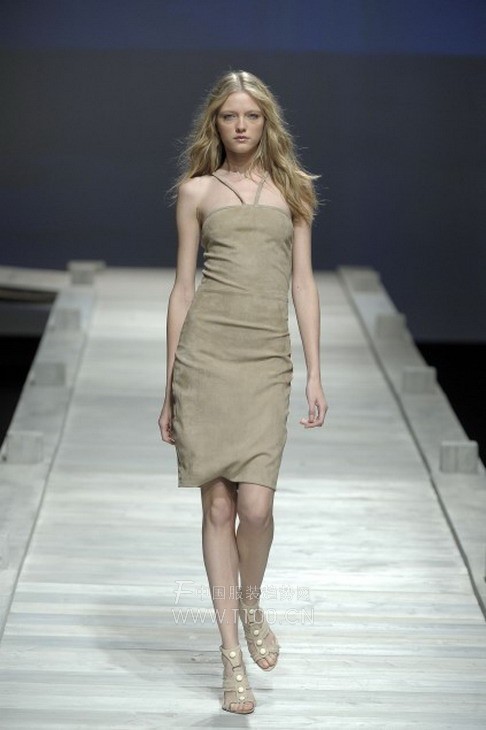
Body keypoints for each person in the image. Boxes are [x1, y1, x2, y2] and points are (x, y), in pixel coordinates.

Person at [159, 70, 328, 715]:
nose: (240, 125)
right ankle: (231, 658)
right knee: (217, 508)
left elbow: (303, 284)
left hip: (265, 358)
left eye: (251, 116)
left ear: (266, 122)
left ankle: (250, 603)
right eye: (229, 115)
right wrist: (169, 386)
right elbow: (183, 288)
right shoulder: (196, 191)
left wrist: (315, 372)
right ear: (216, 122)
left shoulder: (295, 191)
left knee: (255, 508)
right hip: (206, 358)